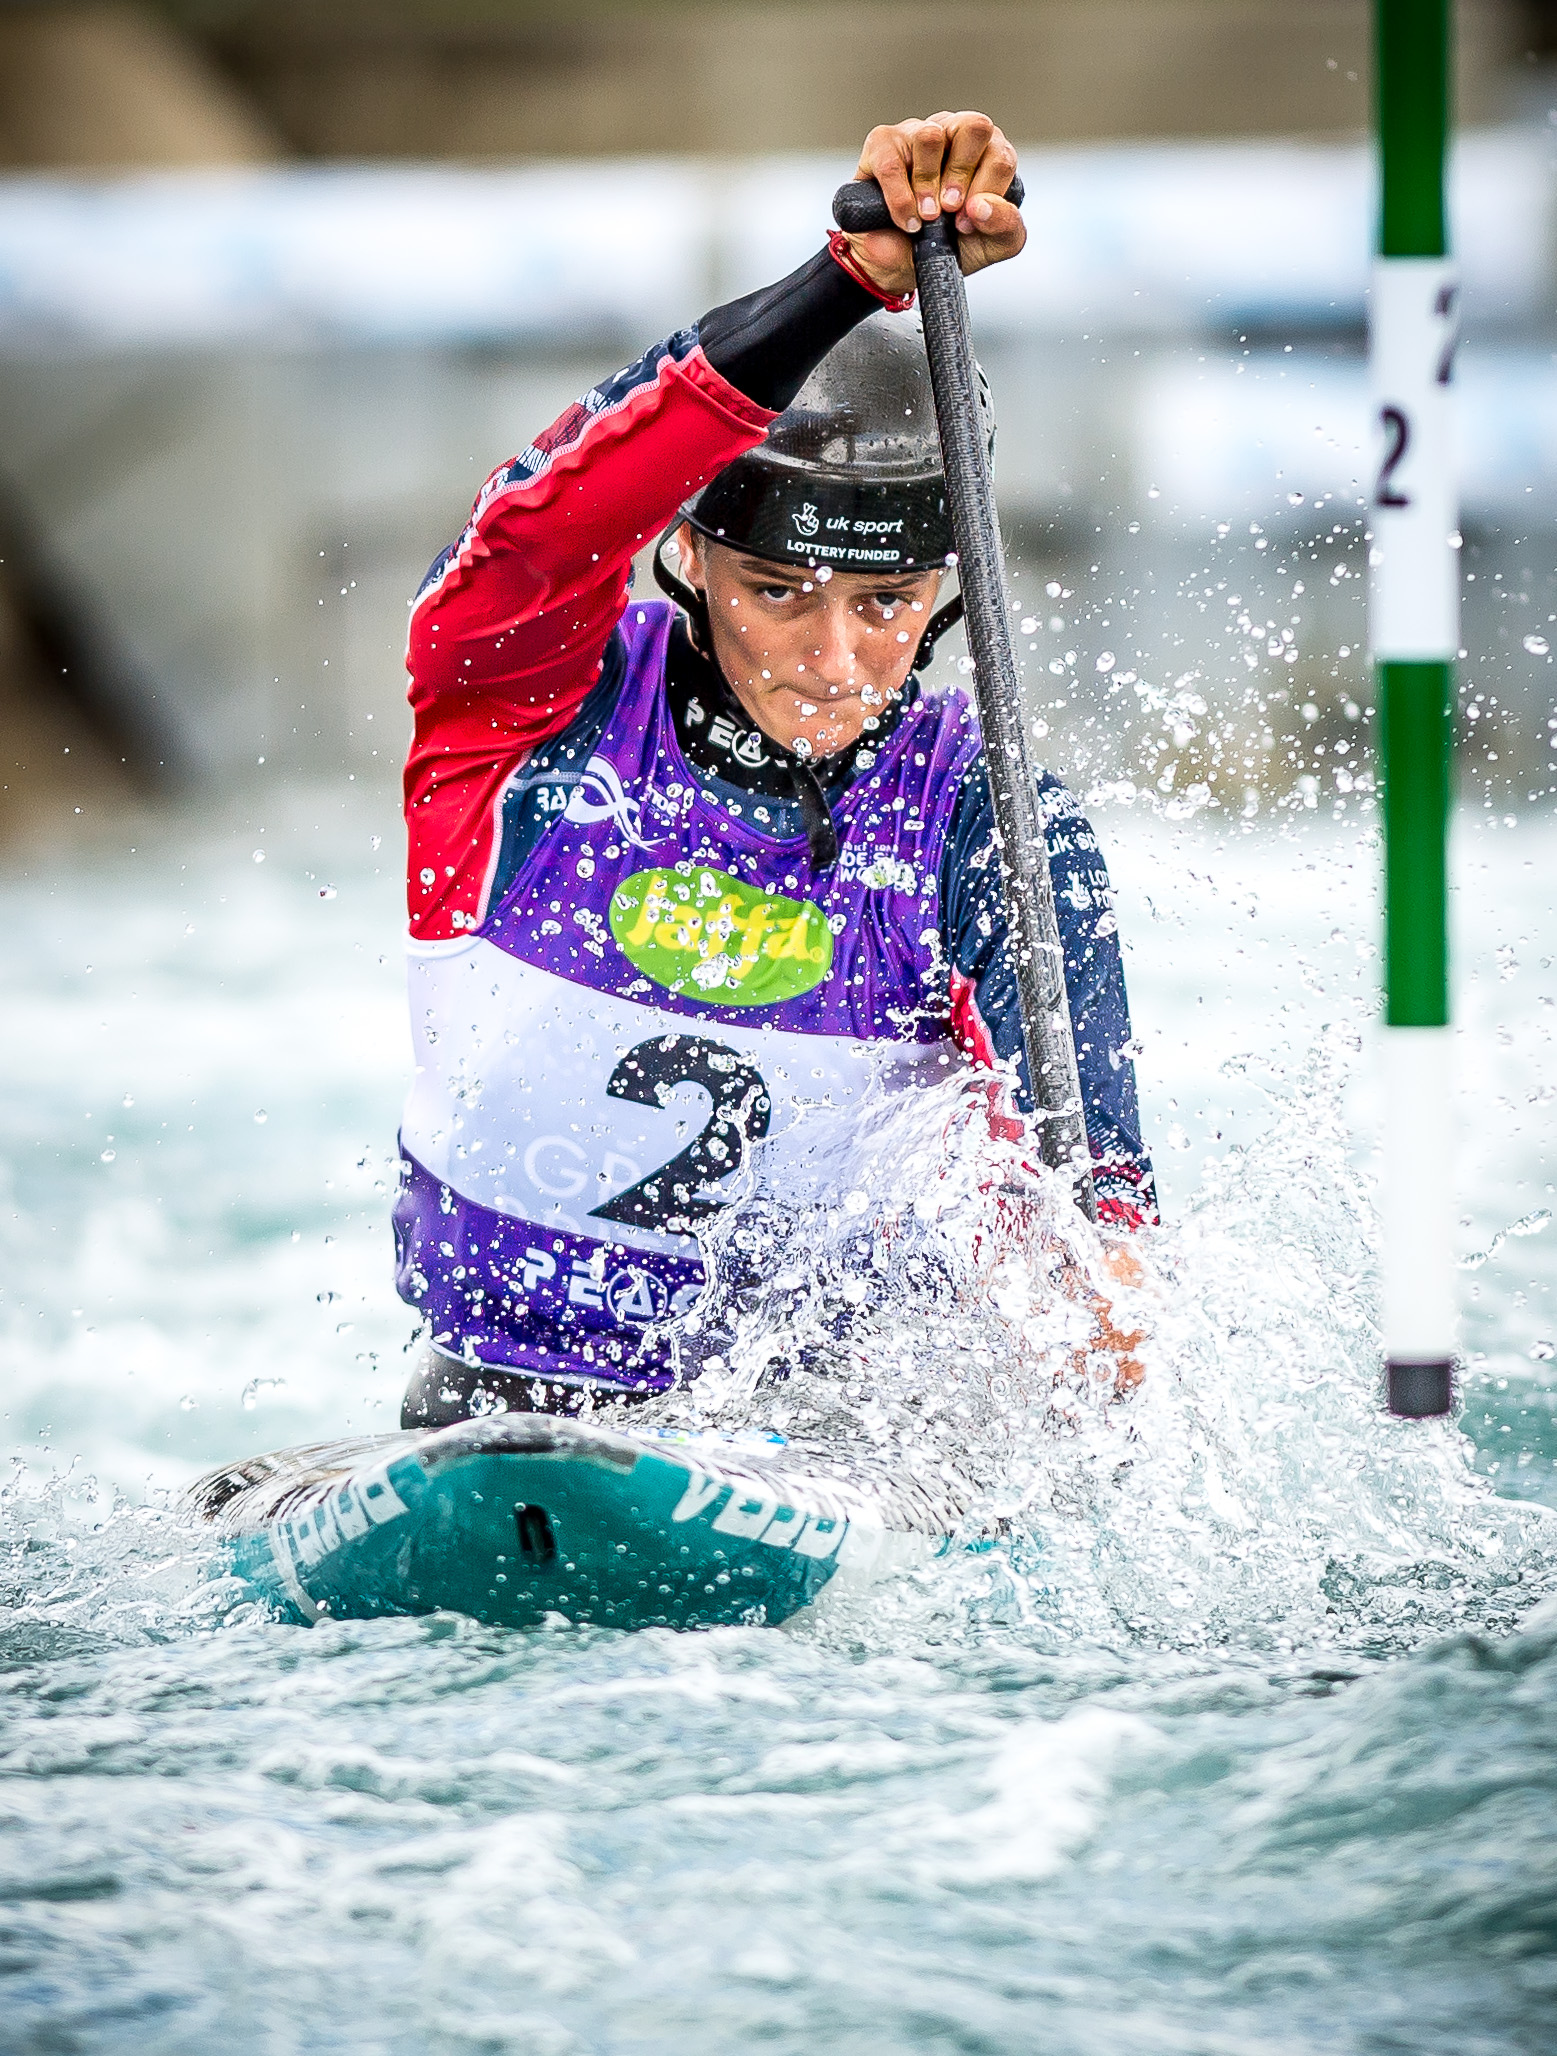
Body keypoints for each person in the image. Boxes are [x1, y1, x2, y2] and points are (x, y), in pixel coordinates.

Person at [393, 112, 1157, 1428]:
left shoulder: (985, 816)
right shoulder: (527, 706)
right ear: (686, 551)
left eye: (887, 602)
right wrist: (842, 284)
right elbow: (544, 514)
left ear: (948, 590)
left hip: (835, 1441)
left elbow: (1093, 1195)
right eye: (779, 591)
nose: (833, 659)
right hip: (489, 1407)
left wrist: (1103, 1302)